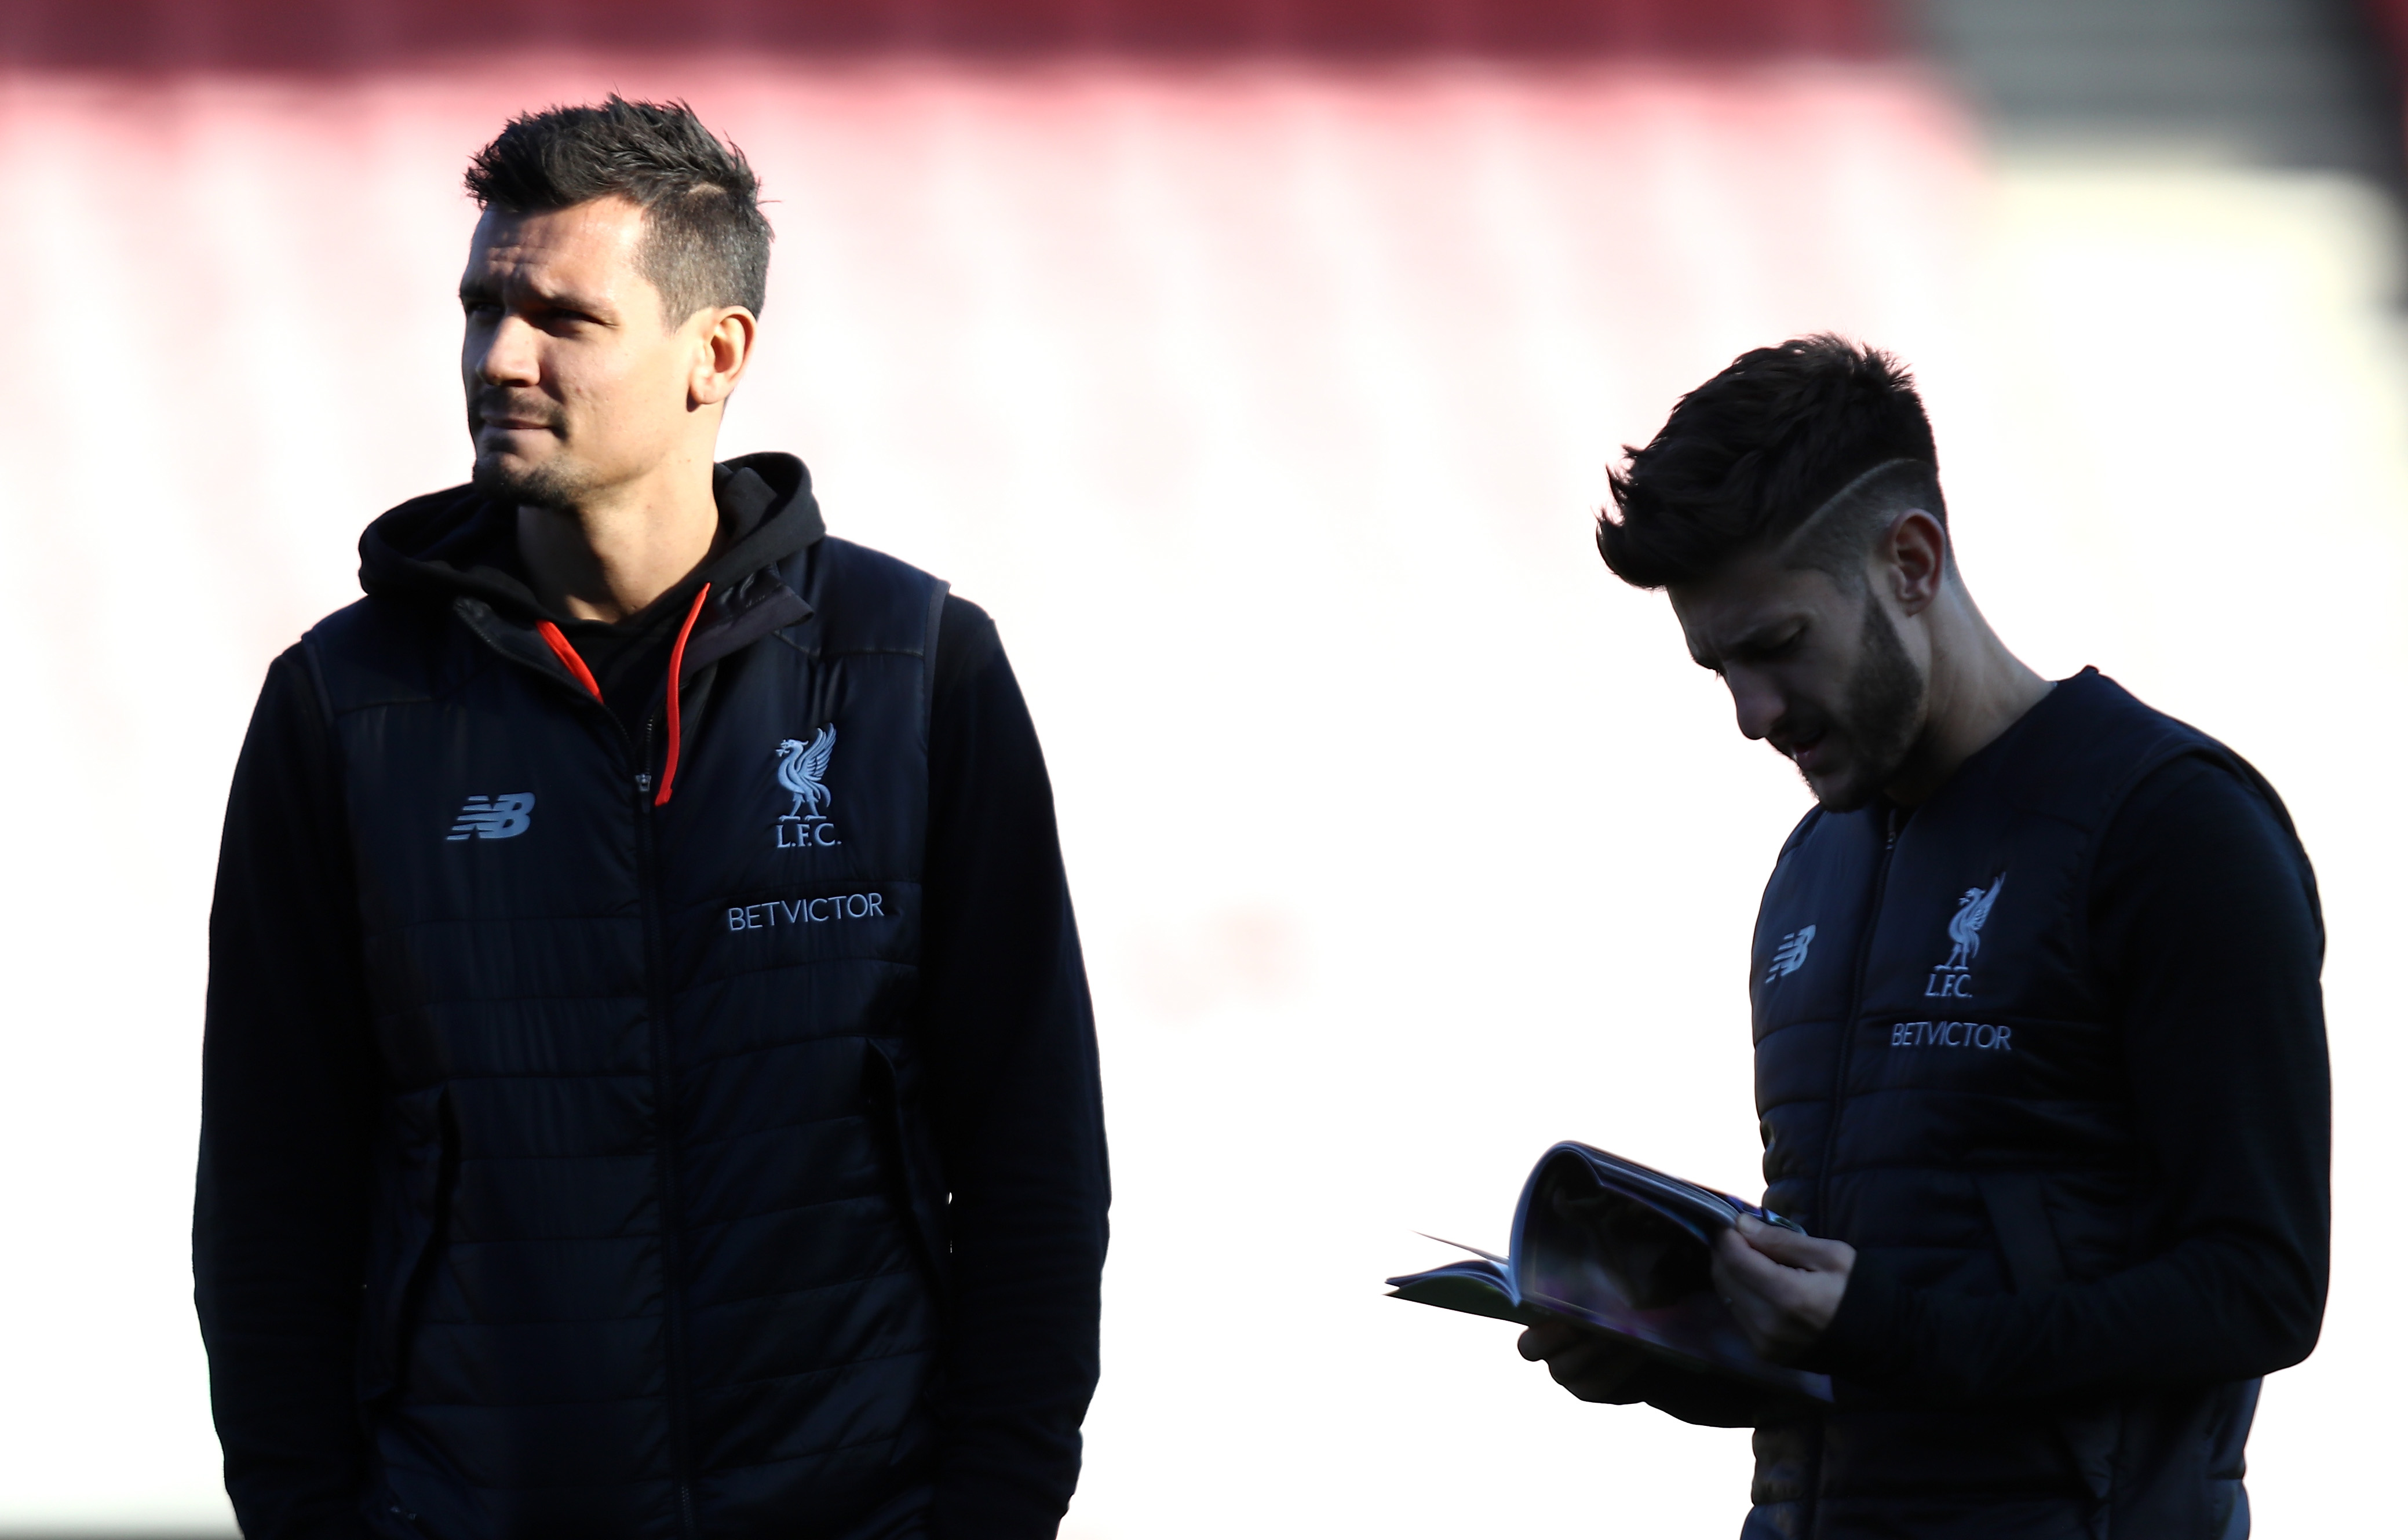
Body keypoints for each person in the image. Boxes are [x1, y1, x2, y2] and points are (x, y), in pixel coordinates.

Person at [195, 97, 1108, 1540]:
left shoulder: (916, 672)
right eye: (482, 305)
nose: (499, 357)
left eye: (563, 317)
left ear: (715, 353)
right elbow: (270, 1193)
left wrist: (991, 1509)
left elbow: (1033, 1160)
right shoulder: (342, 710)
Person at [1519, 336, 2327, 1538]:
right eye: (1717, 667)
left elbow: (2259, 1286)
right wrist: (1676, 1346)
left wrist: (1889, 1329)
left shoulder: (2167, 828)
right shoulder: (1812, 864)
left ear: (1909, 560)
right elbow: (1878, 1320)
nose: (1750, 715)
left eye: (1775, 647)